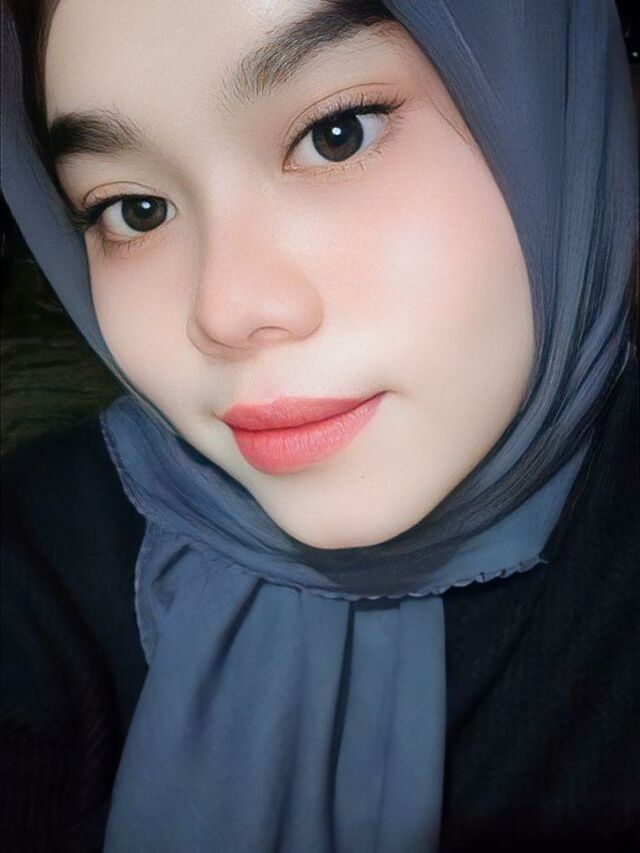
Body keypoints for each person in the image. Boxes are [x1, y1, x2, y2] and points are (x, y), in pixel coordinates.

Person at [1, 0, 638, 851]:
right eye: (134, 209)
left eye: (337, 135)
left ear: (551, 104)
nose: (224, 311)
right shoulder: (45, 556)